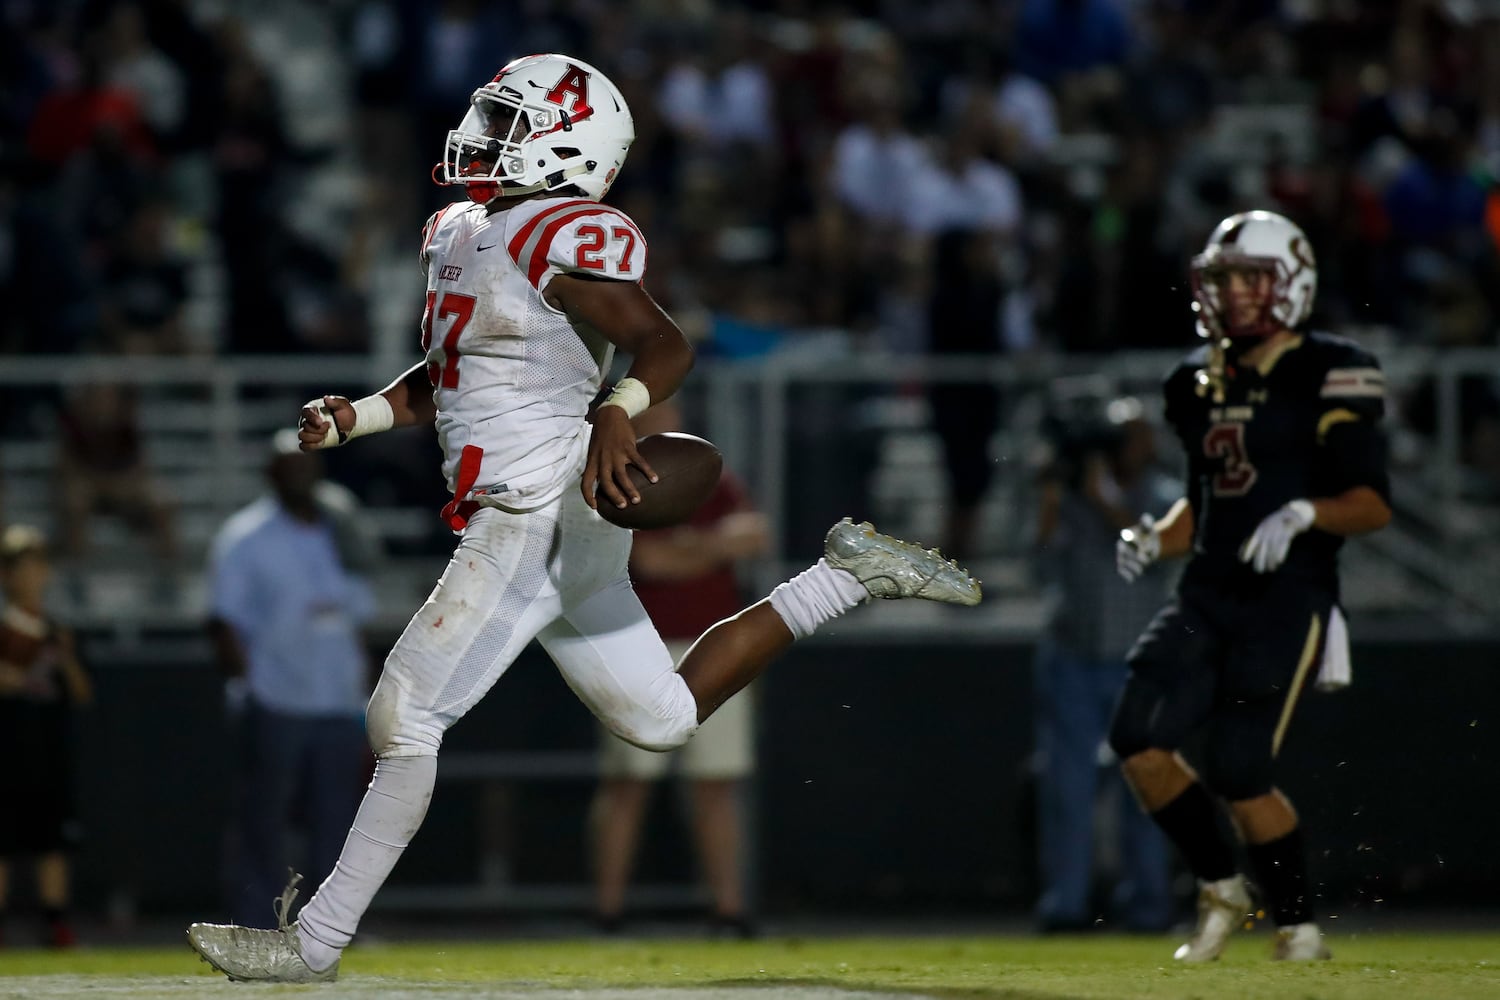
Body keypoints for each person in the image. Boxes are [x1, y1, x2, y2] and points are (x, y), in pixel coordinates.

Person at [187, 53, 981, 984]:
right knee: (663, 718)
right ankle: (844, 575)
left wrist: (617, 408)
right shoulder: (461, 230)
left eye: (507, 123)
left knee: (404, 718)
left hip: (536, 509)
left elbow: (662, 342)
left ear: (568, 147)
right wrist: (355, 417)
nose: (482, 136)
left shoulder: (560, 235)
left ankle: (310, 944)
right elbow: (448, 380)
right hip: (563, 515)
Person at [1111, 210, 1391, 962]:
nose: (1232, 294)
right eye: (1222, 278)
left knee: (1241, 772)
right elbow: (1203, 505)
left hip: (1287, 594)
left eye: (1248, 278)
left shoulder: (1331, 367)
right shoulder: (1195, 380)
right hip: (1206, 589)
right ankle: (1219, 884)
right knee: (1136, 738)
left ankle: (1297, 924)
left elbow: (1371, 503)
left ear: (1290, 281)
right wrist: (1152, 536)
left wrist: (1306, 511)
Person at [589, 399, 769, 938]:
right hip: (638, 643)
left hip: (713, 643)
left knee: (716, 782)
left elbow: (755, 534)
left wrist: (694, 546)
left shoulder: (707, 473)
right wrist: (710, 549)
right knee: (628, 782)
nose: (667, 416)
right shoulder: (614, 477)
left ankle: (729, 909)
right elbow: (649, 562)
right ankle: (607, 910)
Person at [207, 432, 378, 928]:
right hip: (277, 696)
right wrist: (245, 689)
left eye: (308, 468)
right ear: (271, 476)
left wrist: (365, 697)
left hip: (337, 701)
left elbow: (356, 623)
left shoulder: (341, 529)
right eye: (291, 468)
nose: (301, 477)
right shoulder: (246, 537)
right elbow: (223, 622)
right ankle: (255, 922)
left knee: (338, 822)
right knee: (265, 820)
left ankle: (328, 927)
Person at [1032, 396, 1175, 934]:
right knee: (1067, 789)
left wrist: (1106, 500)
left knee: (1148, 786)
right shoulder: (1069, 497)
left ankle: (1149, 906)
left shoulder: (1162, 495)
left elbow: (1158, 548)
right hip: (1072, 656)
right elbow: (1038, 562)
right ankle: (1064, 905)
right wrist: (1055, 494)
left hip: (1141, 663)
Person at [0, 525, 93, 948]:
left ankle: (55, 922)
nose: (31, 575)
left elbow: (80, 693)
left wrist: (66, 657)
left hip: (49, 749)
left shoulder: (57, 630)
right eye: (22, 567)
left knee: (52, 842)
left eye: (38, 565)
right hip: (7, 748)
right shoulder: (6, 631)